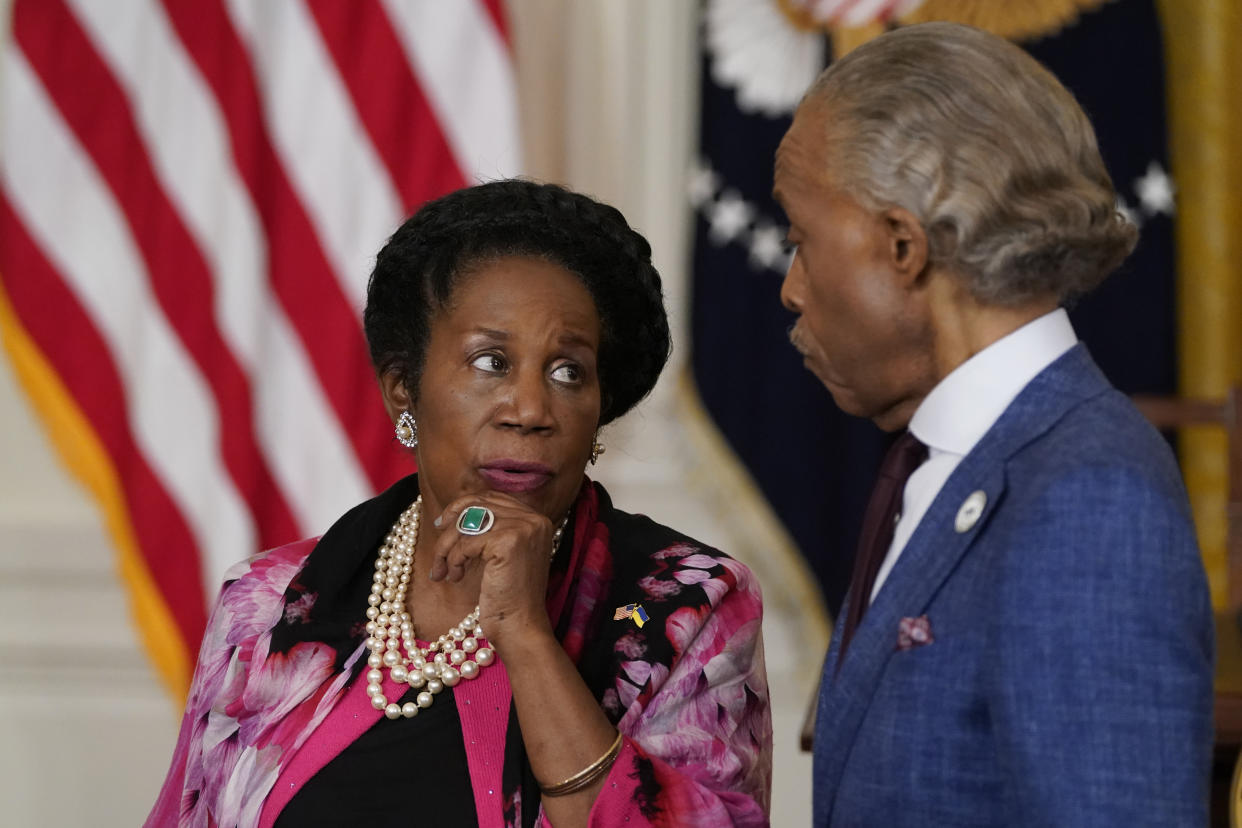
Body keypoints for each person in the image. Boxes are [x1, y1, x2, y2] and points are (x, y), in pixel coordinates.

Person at [146, 180, 772, 828]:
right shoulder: (267, 604)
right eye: (491, 362)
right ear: (402, 391)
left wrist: (526, 636)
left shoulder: (688, 607)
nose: (531, 410)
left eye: (568, 373)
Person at [772, 22, 1213, 826]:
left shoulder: (1088, 496)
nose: (791, 289)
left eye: (802, 240)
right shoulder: (944, 459)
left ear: (902, 244)